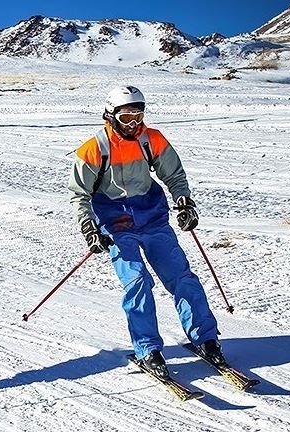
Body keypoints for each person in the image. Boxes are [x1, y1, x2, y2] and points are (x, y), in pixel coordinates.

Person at [67, 86, 225, 378]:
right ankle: (148, 349)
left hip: (152, 217)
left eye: (138, 116)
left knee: (181, 276)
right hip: (116, 223)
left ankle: (206, 338)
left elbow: (174, 174)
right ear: (110, 115)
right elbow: (79, 194)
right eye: (126, 117)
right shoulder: (93, 149)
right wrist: (89, 227)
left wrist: (183, 201)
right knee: (137, 280)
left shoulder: (151, 139)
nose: (133, 124)